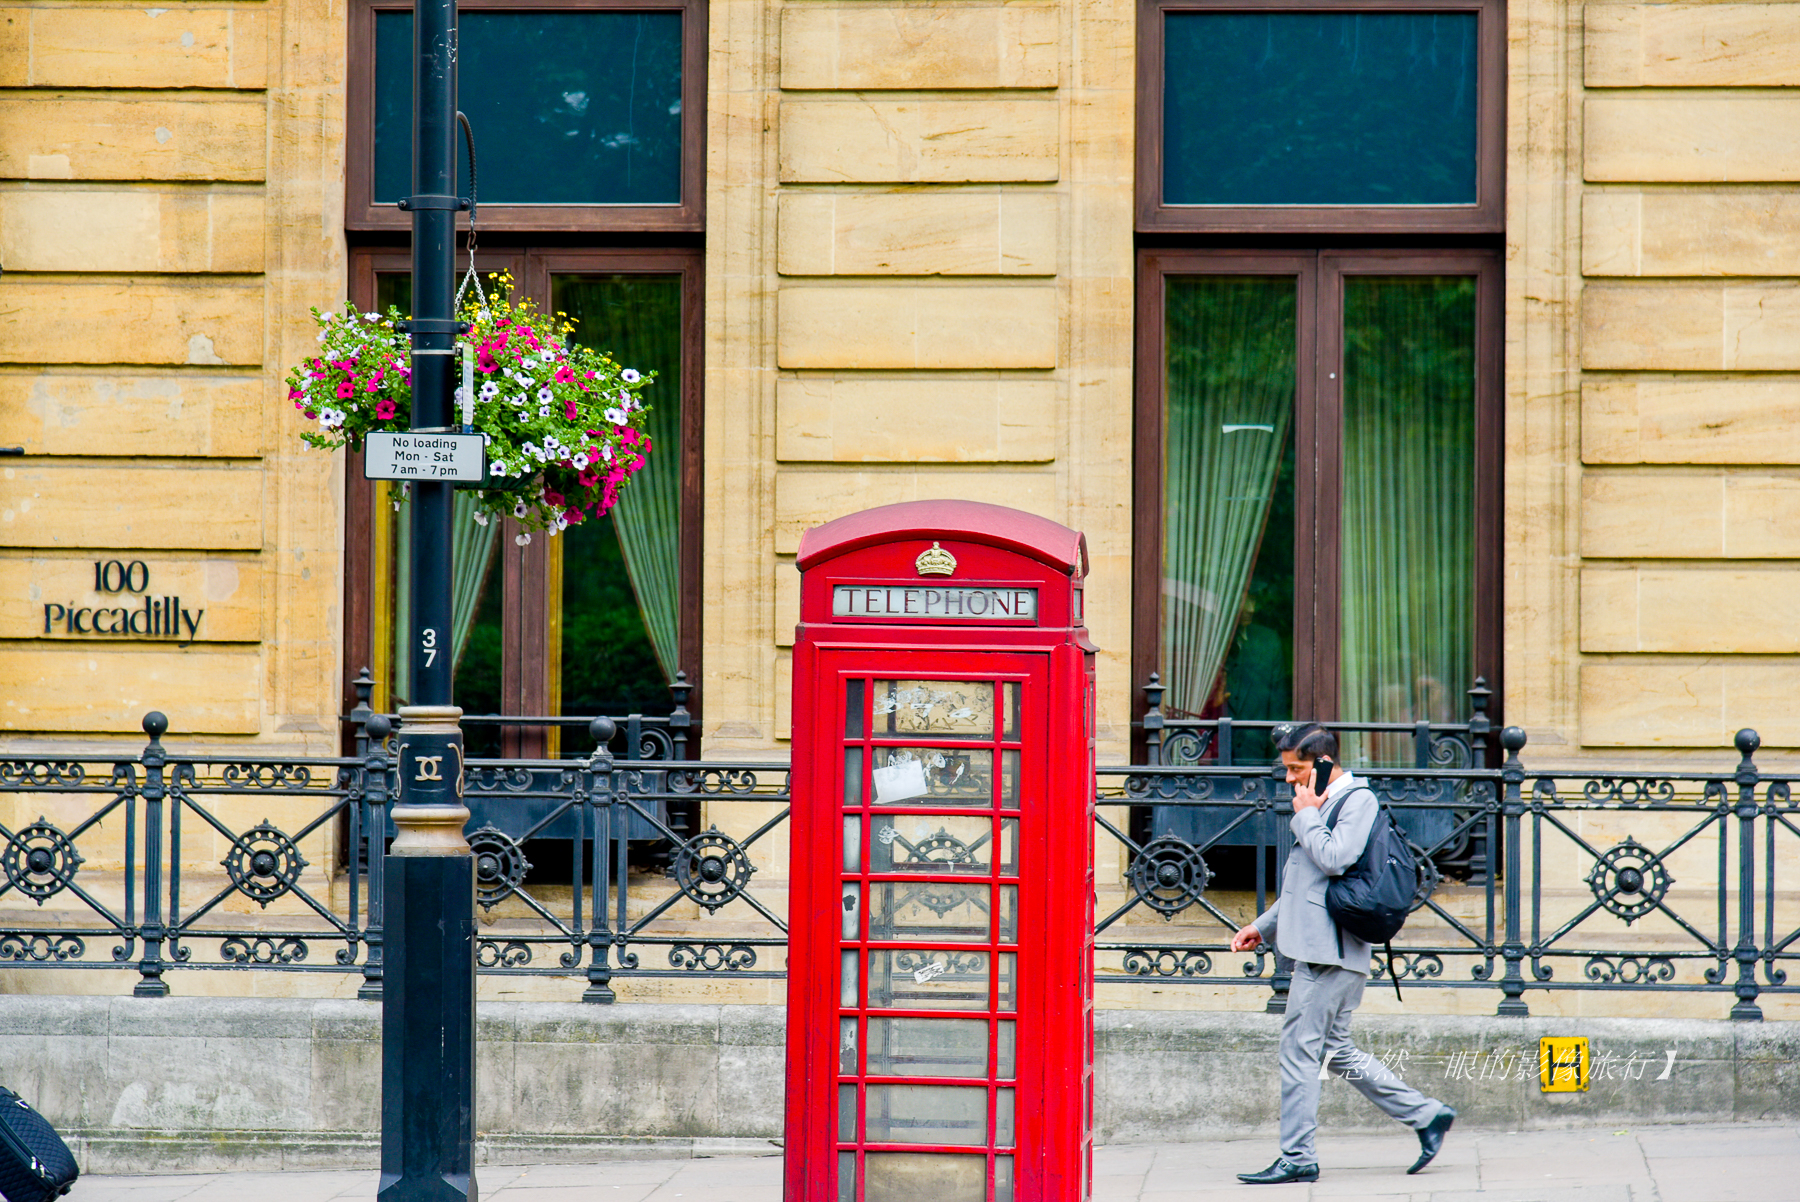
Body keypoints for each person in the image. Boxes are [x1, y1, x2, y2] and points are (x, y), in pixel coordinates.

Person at [1228, 721, 1456, 1184]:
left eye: (1298, 768)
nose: (1290, 778)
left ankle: (1297, 1157)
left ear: (1325, 762)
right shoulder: (1325, 802)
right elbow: (1305, 886)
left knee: (1298, 1051)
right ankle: (1428, 1115)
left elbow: (1335, 859)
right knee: (1336, 1051)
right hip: (1322, 947)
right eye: (1287, 768)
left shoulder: (1358, 801)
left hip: (1329, 952)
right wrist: (1262, 927)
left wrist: (1307, 813)